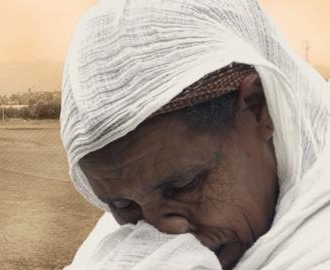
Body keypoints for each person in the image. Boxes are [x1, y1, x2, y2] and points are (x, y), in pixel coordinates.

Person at [60, 0, 330, 269]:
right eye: (122, 204)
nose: (164, 233)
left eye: (184, 185)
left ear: (257, 106)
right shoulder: (115, 235)